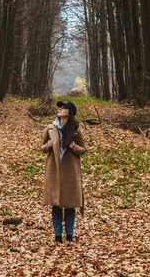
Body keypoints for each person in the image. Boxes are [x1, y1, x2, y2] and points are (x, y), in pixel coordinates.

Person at [40, 101, 87, 244]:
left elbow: (84, 149)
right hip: (54, 170)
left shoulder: (76, 129)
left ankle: (70, 235)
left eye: (64, 107)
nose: (60, 109)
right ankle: (58, 235)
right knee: (55, 203)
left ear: (70, 112)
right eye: (59, 107)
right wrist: (47, 146)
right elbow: (42, 147)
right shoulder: (49, 128)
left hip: (70, 171)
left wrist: (74, 146)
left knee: (70, 203)